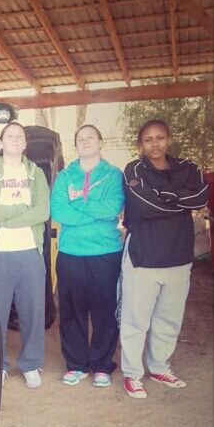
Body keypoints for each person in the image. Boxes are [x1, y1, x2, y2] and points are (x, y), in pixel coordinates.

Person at [119, 119, 210, 399]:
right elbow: (142, 205)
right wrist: (178, 201)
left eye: (160, 138)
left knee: (168, 318)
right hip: (143, 257)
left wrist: (163, 198)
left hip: (179, 256)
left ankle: (159, 366)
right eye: (148, 140)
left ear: (168, 140)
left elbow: (200, 198)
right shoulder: (134, 169)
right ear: (140, 144)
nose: (154, 144)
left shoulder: (187, 167)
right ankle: (132, 374)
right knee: (136, 319)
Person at [50, 124, 124, 387]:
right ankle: (77, 365)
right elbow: (58, 210)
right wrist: (92, 210)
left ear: (100, 141)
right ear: (76, 145)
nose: (85, 142)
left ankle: (102, 365)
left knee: (104, 310)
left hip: (105, 252)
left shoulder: (113, 174)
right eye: (80, 139)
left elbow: (113, 206)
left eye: (90, 137)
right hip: (71, 253)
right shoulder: (64, 176)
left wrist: (79, 204)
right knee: (72, 311)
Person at [0, 120, 50, 388]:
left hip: (29, 251)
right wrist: (22, 210)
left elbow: (42, 212)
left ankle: (31, 363)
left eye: (19, 136)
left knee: (32, 310)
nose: (15, 139)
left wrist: (8, 218)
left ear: (25, 143)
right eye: (9, 135)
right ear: (0, 143)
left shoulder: (36, 173)